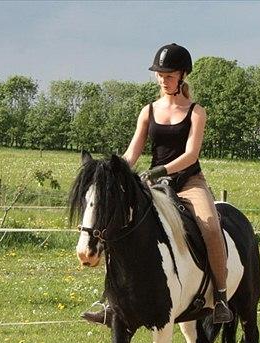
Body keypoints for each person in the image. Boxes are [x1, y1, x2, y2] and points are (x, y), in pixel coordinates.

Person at [83, 42, 232, 325]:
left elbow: (191, 155)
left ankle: (221, 297)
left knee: (211, 225)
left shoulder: (196, 112)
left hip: (188, 181)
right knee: (120, 227)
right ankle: (111, 301)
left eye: (170, 74)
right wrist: (109, 172)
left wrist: (161, 168)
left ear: (182, 76)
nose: (164, 79)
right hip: (156, 185)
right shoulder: (148, 111)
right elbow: (131, 155)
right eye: (160, 74)